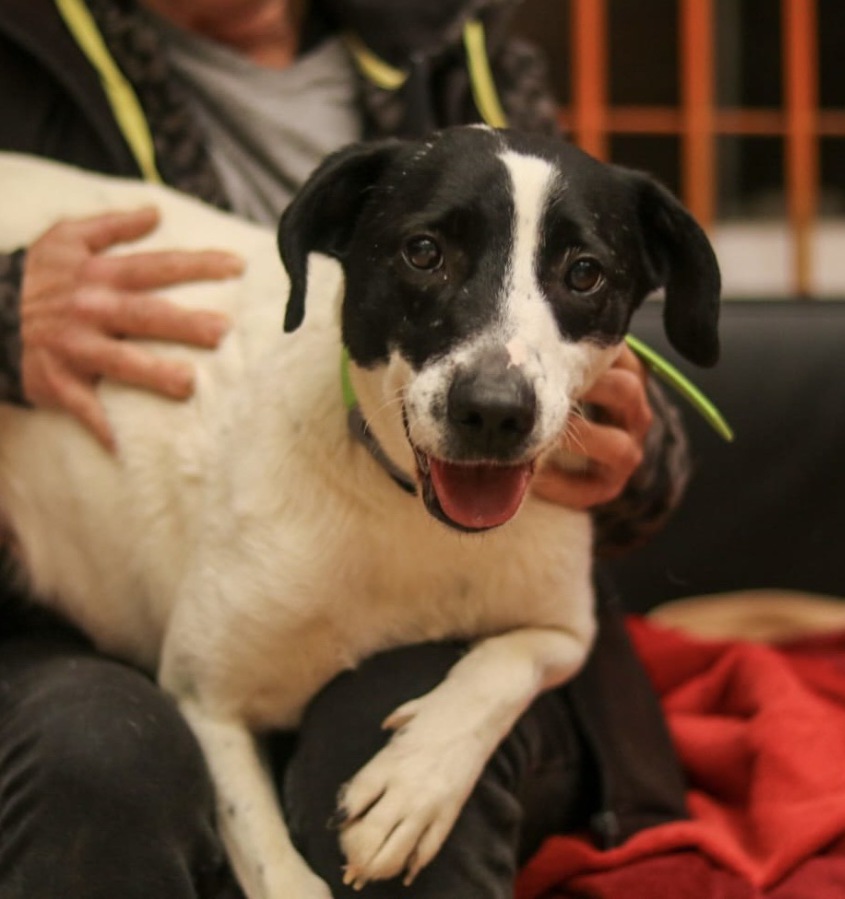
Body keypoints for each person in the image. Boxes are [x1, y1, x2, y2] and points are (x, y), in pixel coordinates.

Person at [0, 1, 690, 897]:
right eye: (427, 252)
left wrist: (634, 448)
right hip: (104, 588)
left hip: (452, 593)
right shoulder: (24, 43)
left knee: (380, 766)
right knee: (99, 754)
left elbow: (580, 289)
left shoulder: (450, 42)